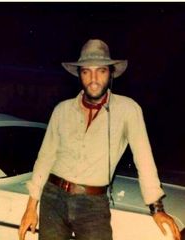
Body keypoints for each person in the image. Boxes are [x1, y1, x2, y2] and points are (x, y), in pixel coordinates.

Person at [18, 39, 181, 240]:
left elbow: (144, 160)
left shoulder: (128, 110)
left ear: (111, 73)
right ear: (80, 75)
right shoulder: (62, 110)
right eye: (86, 71)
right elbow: (45, 158)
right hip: (53, 198)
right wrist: (31, 207)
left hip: (93, 205)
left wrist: (157, 209)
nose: (93, 79)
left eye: (101, 71)